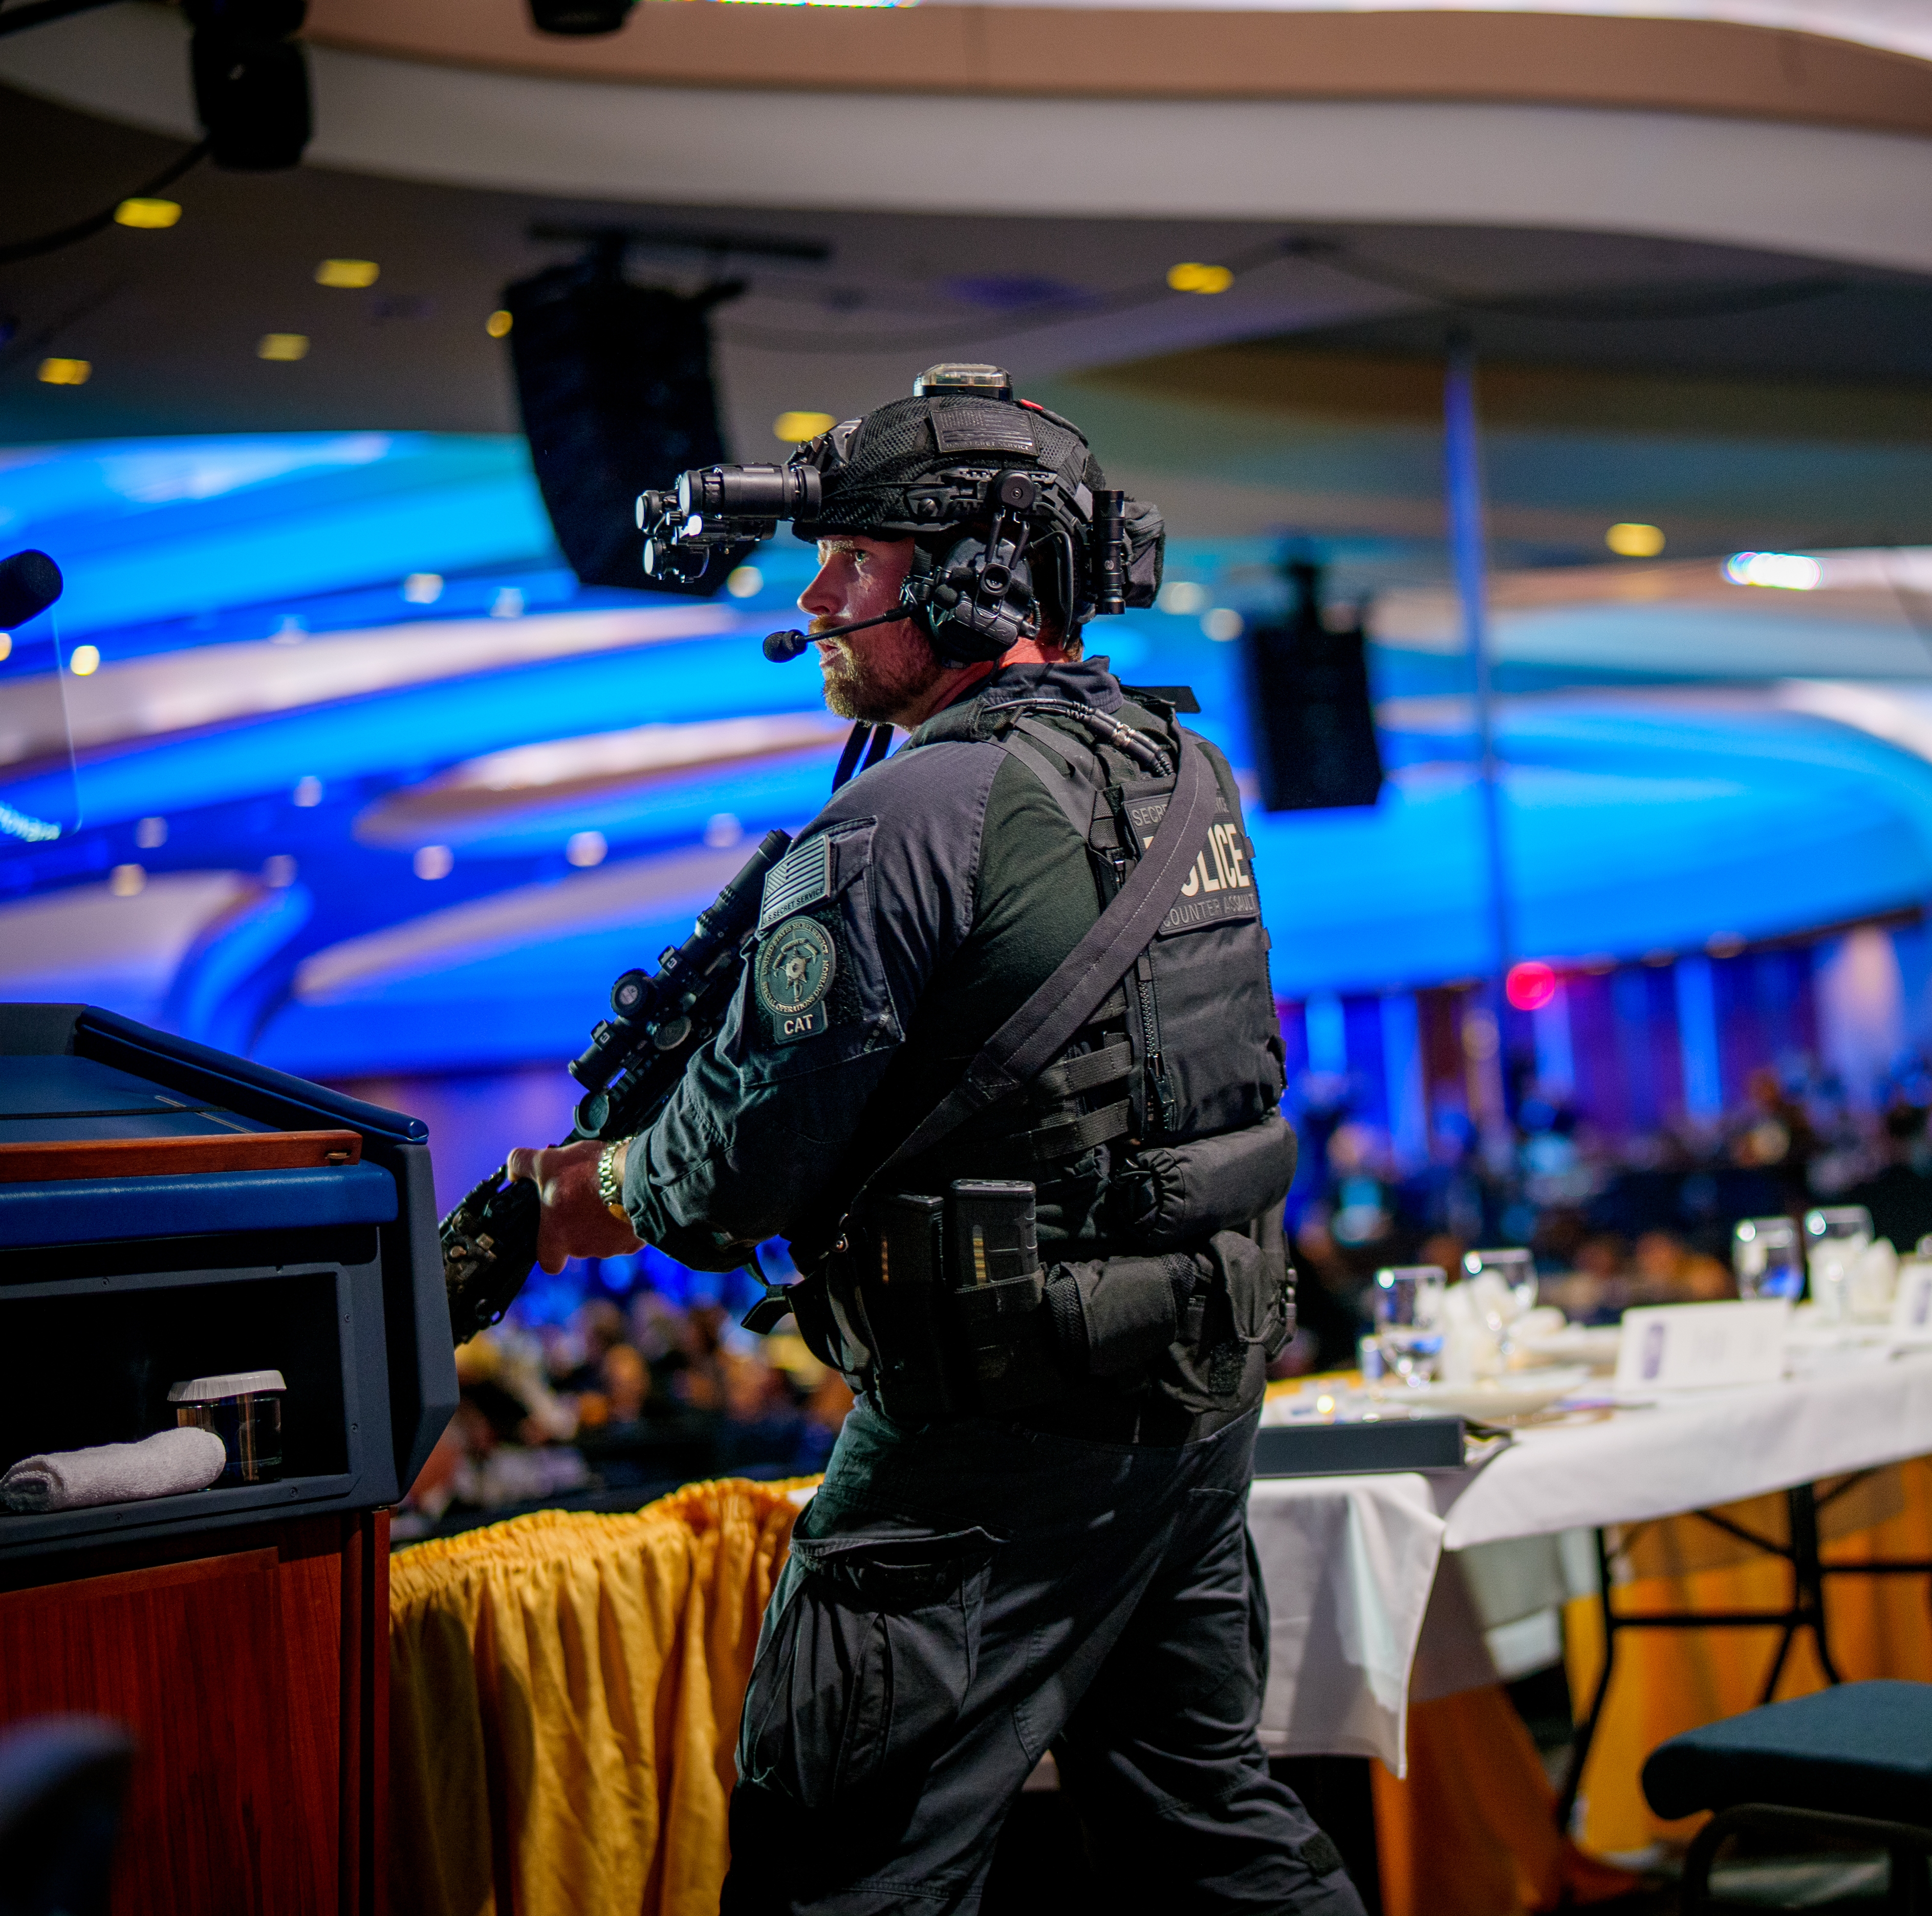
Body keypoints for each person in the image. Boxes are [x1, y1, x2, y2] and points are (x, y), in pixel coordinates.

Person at [504, 365, 1359, 1913]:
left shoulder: (900, 824)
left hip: (989, 1435)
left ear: (973, 579)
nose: (821, 600)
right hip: (1191, 1400)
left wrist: (599, 1187)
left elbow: (735, 1167)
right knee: (1207, 1833)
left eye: (858, 561)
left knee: (845, 1870)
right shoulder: (1187, 775)